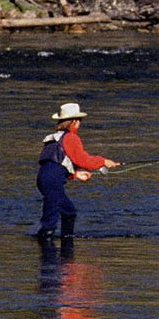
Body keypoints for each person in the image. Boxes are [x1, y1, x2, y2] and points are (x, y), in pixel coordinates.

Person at [36, 102, 120, 240]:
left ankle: (66, 244)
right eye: (79, 120)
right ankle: (48, 251)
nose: (80, 123)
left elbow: (56, 165)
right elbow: (83, 160)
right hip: (52, 180)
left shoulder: (55, 138)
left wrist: (75, 175)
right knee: (50, 221)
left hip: (44, 179)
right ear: (74, 122)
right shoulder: (71, 137)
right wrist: (103, 161)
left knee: (69, 212)